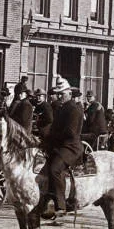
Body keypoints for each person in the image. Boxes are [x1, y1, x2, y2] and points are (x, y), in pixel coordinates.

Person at [39, 78, 84, 220]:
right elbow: (54, 127)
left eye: (62, 94)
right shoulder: (61, 108)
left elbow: (70, 132)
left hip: (71, 146)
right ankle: (46, 202)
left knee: (55, 169)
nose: (59, 96)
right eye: (58, 94)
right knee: (42, 166)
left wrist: (52, 136)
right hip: (60, 145)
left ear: (69, 93)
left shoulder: (74, 109)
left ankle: (61, 206)